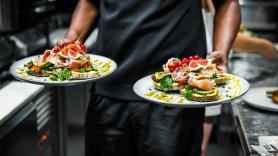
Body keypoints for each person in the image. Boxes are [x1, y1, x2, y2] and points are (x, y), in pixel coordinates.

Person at [60, 0, 240, 156]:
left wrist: (221, 51)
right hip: (109, 92)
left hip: (173, 97)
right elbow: (90, 2)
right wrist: (72, 36)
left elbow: (228, 3)